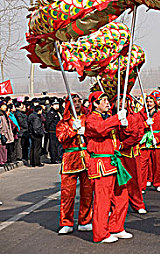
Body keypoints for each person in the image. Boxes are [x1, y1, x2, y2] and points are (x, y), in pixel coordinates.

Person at [84, 91, 132, 243]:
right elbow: (100, 129)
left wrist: (125, 124)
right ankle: (100, 233)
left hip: (114, 162)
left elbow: (125, 137)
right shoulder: (91, 119)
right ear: (95, 105)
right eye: (102, 100)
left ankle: (116, 227)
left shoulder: (109, 117)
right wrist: (116, 119)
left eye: (106, 100)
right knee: (102, 200)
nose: (106, 102)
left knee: (122, 195)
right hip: (101, 164)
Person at [56, 94, 93, 234]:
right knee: (67, 194)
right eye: (74, 102)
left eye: (79, 102)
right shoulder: (63, 122)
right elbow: (60, 138)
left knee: (87, 192)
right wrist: (72, 129)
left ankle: (85, 220)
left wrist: (87, 132)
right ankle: (66, 222)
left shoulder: (88, 118)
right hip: (70, 159)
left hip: (87, 158)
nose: (77, 104)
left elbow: (96, 134)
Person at [46, 99, 62, 164]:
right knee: (53, 145)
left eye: (57, 104)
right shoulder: (51, 113)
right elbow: (48, 122)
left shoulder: (57, 112)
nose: (57, 106)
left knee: (57, 145)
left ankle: (57, 157)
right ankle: (53, 159)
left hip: (57, 130)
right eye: (55, 105)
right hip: (52, 131)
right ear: (52, 105)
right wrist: (48, 130)